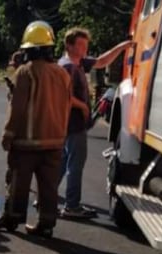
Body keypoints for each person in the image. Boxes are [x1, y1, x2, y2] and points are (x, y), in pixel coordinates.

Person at [0, 21, 85, 238]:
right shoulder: (62, 74)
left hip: (26, 144)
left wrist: (7, 135)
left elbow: (17, 108)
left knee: (17, 182)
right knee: (48, 187)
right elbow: (66, 106)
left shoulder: (25, 73)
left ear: (29, 50)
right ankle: (46, 224)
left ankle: (11, 218)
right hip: (55, 143)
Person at [57, 27, 133, 218]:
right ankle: (72, 206)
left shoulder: (79, 62)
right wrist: (83, 107)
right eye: (81, 45)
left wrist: (122, 47)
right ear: (69, 45)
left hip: (71, 124)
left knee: (64, 161)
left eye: (86, 45)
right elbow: (63, 96)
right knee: (75, 164)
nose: (84, 49)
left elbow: (101, 61)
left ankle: (45, 196)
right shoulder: (67, 66)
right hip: (73, 124)